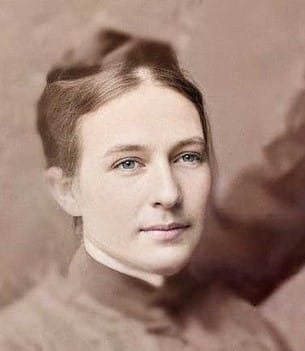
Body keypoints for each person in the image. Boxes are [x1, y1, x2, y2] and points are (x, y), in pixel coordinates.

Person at [0, 28, 290, 350]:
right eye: (128, 164)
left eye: (187, 156)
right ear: (67, 190)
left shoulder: (246, 331)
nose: (169, 193)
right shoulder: (22, 342)